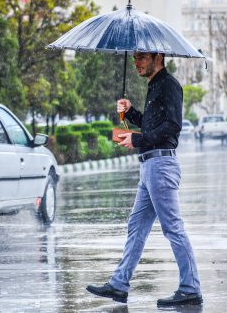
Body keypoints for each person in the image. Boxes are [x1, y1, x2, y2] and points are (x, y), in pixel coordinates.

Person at [86, 52, 202, 306]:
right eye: (136, 58)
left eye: (141, 58)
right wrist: (131, 113)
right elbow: (152, 127)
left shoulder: (169, 85)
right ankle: (119, 284)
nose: (136, 63)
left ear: (157, 57)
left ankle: (191, 287)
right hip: (149, 167)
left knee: (173, 227)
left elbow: (172, 127)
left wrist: (137, 139)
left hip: (161, 165)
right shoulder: (154, 85)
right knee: (137, 227)